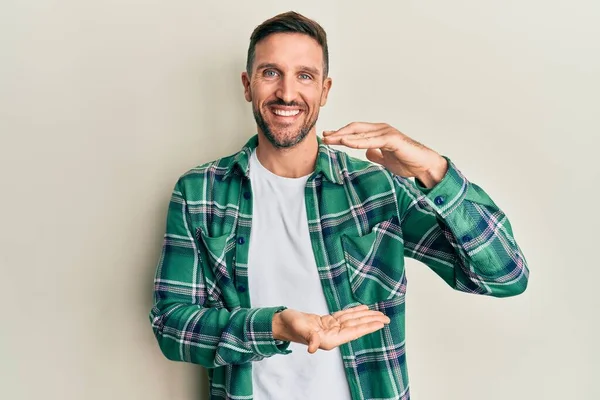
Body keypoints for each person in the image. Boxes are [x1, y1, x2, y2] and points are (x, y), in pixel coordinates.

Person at [149, 11, 529, 400]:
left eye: (305, 75)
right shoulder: (199, 192)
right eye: (270, 73)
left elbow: (505, 276)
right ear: (247, 85)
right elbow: (171, 325)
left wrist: (434, 170)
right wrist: (276, 326)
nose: (286, 93)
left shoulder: (374, 187)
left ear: (325, 90)